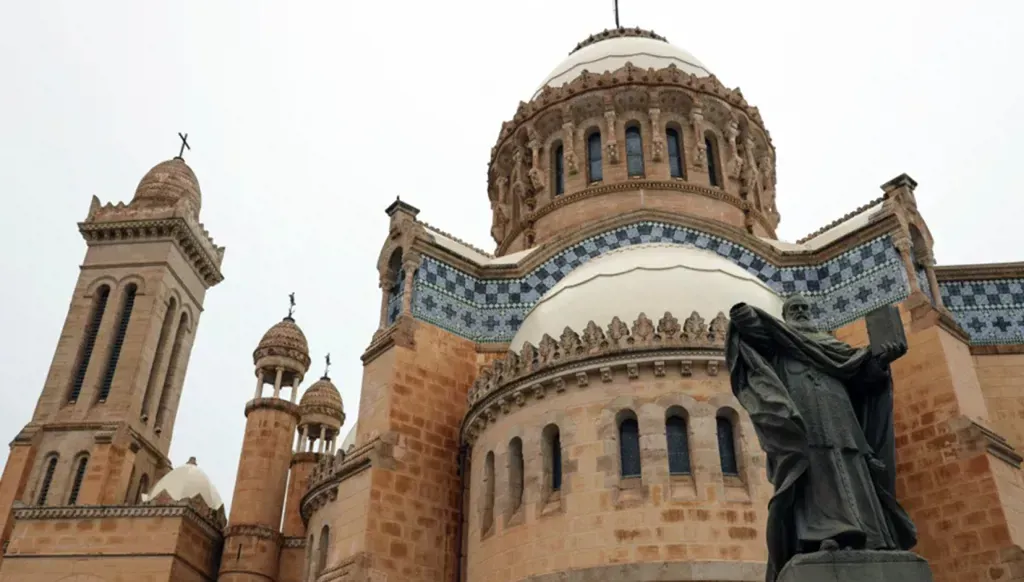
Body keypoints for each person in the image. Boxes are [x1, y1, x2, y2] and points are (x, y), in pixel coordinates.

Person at [725, 295, 916, 582]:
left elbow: (864, 380)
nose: (801, 312)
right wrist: (743, 315)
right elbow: (754, 332)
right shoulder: (780, 345)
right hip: (807, 425)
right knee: (815, 474)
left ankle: (873, 535)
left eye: (804, 308)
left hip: (843, 424)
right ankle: (821, 537)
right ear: (785, 316)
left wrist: (882, 361)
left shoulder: (835, 348)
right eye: (794, 309)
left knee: (854, 470)